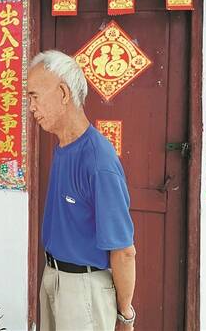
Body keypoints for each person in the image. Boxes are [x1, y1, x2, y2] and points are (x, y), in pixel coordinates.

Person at [28, 50, 136, 331]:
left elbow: (124, 251)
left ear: (63, 93)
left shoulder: (98, 160)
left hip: (83, 289)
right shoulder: (63, 147)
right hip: (53, 277)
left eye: (34, 96)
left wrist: (125, 314)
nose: (31, 107)